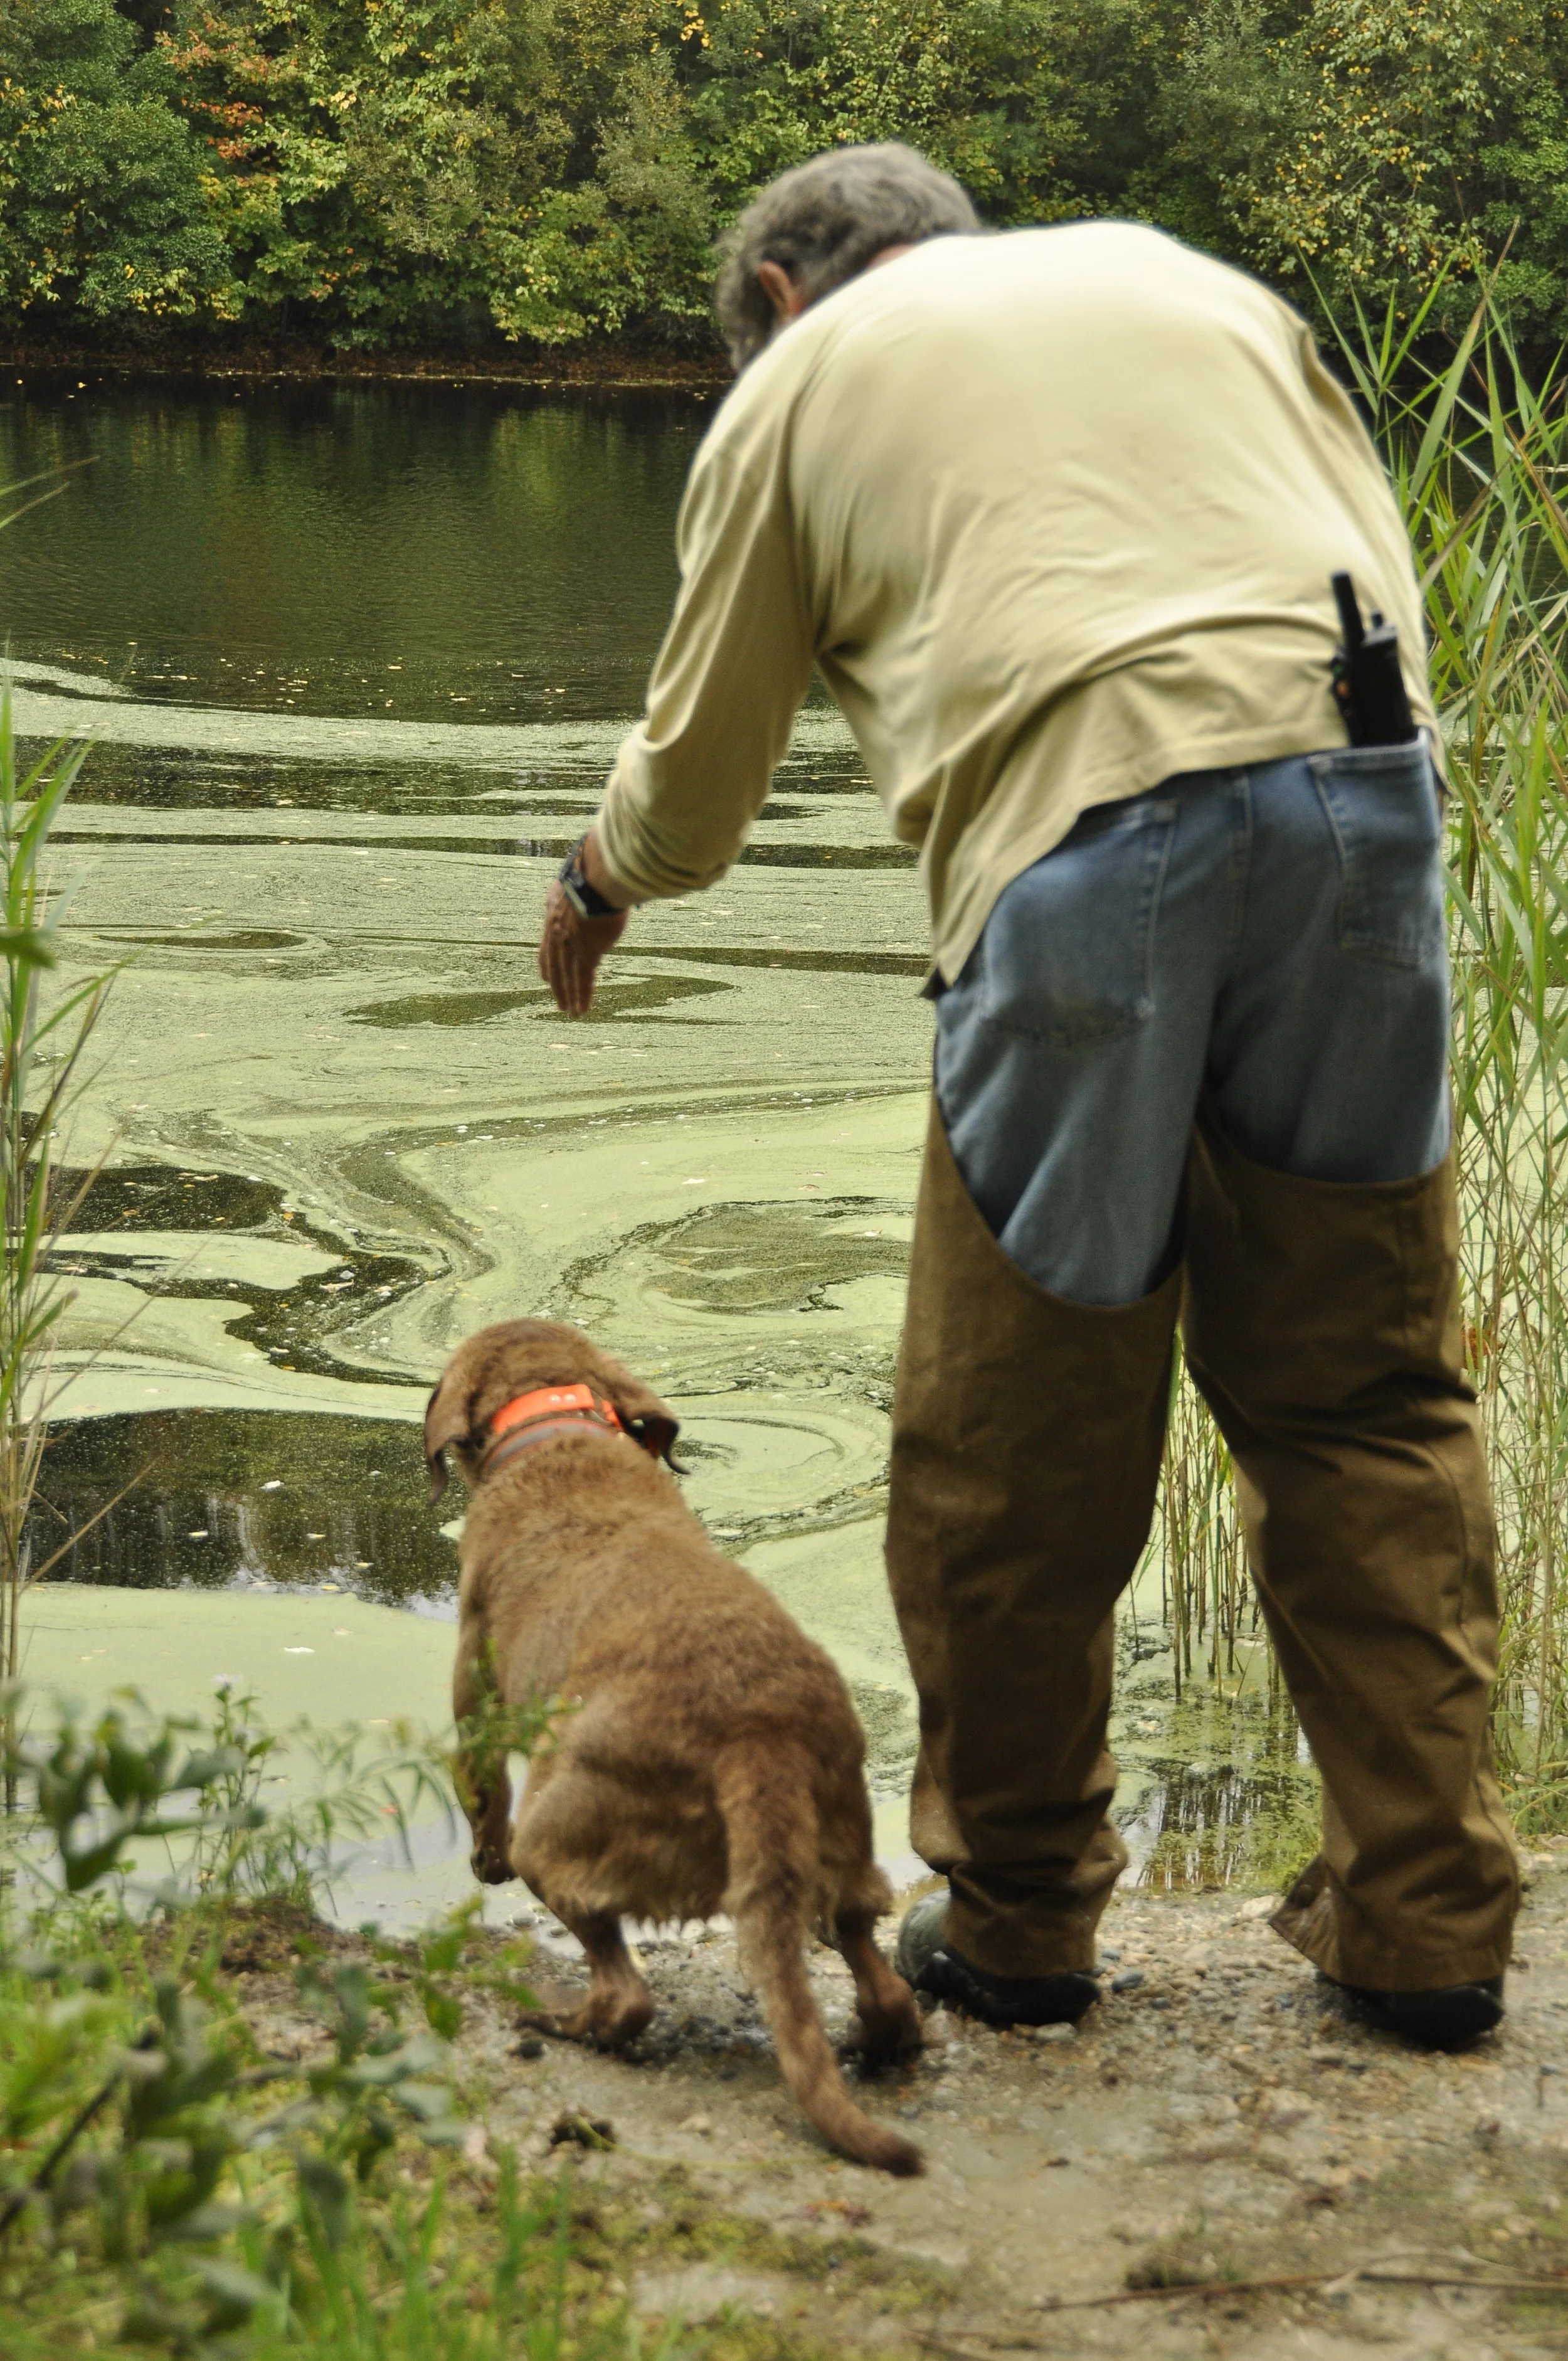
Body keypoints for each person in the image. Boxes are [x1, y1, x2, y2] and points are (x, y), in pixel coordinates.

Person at [537, 143, 1517, 2050]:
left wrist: (594, 878)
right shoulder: (1186, 280)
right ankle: (1426, 1929)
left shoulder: (809, 387)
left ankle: (1020, 1920)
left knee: (1015, 1435)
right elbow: (1369, 563)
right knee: (1365, 1396)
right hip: (1366, 809)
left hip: (1082, 851)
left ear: (782, 307)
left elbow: (702, 777)